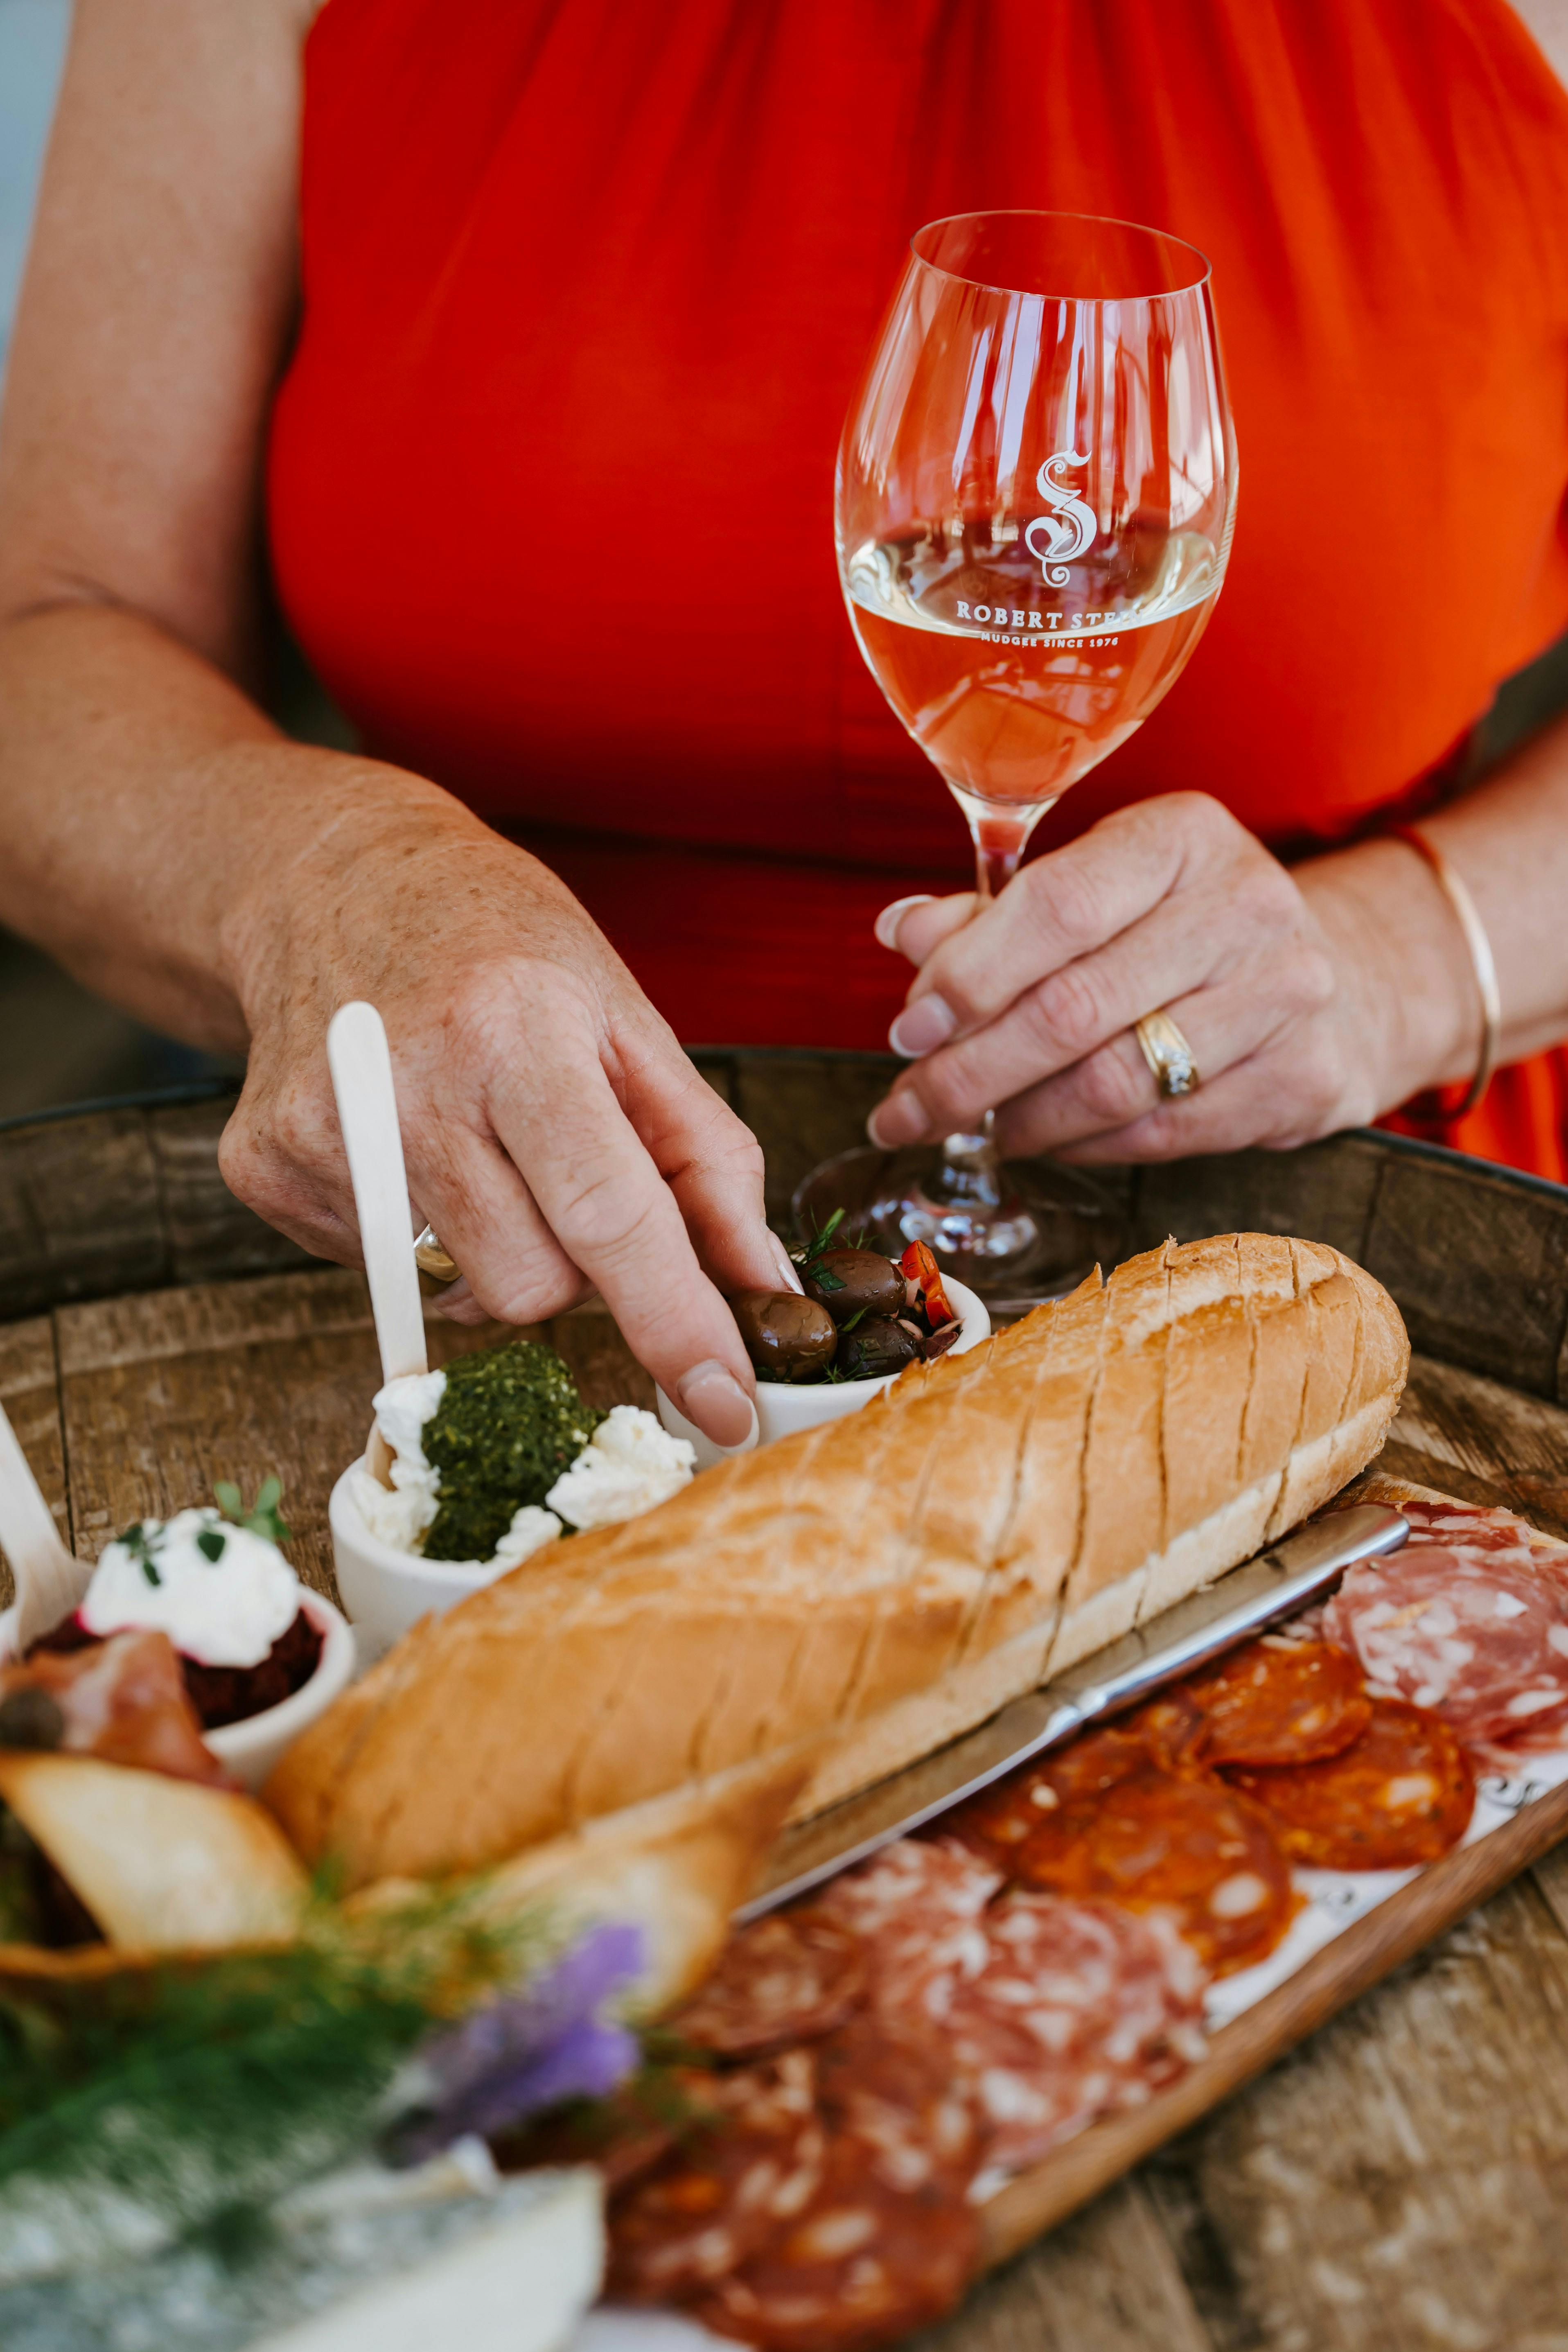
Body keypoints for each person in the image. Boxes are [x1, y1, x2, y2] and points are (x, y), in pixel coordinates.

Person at [3, 0, 1568, 1448]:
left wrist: (1409, 956)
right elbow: (46, 634)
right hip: (479, 1262)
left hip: (1328, 1243)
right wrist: (324, 874)